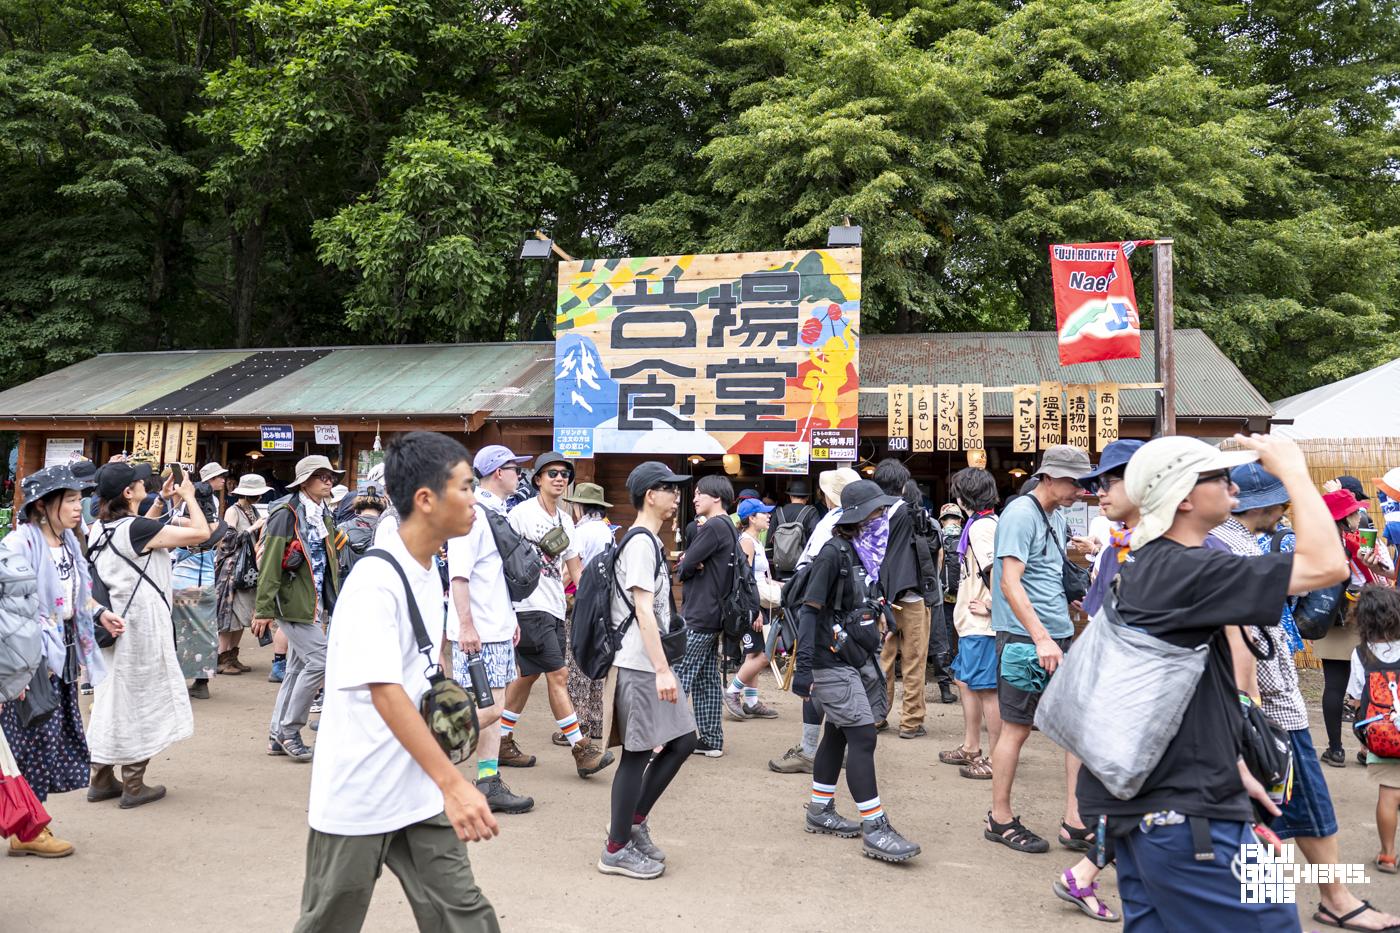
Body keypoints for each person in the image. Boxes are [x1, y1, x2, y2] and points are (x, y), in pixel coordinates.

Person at [1075, 433, 1346, 931]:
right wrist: (1294, 472)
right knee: (1273, 923)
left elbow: (1175, 694)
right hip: (1187, 818)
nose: (1235, 488)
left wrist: (1230, 763)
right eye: (1219, 478)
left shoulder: (1148, 563)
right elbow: (1328, 565)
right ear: (1182, 496)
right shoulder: (1192, 569)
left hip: (1149, 811)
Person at [293, 431, 500, 933]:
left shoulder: (428, 568)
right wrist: (456, 785)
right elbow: (385, 693)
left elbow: (417, 674)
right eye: (467, 487)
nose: (477, 499)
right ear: (426, 500)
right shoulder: (375, 581)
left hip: (417, 785)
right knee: (330, 920)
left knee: (466, 915)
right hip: (362, 788)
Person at [1212, 465, 1400, 933]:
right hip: (1266, 702)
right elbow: (1330, 567)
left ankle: (1316, 900)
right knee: (1291, 809)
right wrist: (1250, 697)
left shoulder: (1230, 543)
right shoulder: (1233, 547)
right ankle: (1301, 906)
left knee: (1280, 812)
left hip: (1256, 697)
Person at [792, 480, 920, 862]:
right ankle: (875, 826)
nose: (882, 517)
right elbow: (809, 610)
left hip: (852, 657)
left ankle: (820, 809)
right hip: (830, 660)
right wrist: (804, 669)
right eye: (877, 512)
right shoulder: (834, 552)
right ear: (859, 516)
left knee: (840, 732)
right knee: (864, 737)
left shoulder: (861, 552)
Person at [1, 465, 123, 857]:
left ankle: (30, 822)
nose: (78, 507)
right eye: (69, 500)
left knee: (48, 740)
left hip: (61, 653)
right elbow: (7, 607)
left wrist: (99, 612)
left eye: (79, 499)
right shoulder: (20, 544)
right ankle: (27, 830)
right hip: (30, 660)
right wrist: (19, 665)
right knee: (32, 742)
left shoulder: (69, 542)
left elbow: (75, 595)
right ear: (43, 505)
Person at [1048, 439, 1143, 923]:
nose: (1099, 496)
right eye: (1097, 485)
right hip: (1132, 701)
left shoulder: (1191, 545)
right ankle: (1085, 869)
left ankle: (1085, 871)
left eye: (1109, 482)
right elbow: (1099, 617)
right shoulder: (1118, 551)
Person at [985, 444, 1092, 854]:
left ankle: (1076, 820)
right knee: (1017, 728)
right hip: (1025, 640)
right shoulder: (1020, 514)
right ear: (1048, 477)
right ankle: (1000, 818)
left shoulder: (1055, 515)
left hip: (1056, 634)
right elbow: (1009, 582)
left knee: (1075, 729)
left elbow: (1045, 574)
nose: (1078, 491)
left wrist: (1070, 601)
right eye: (1071, 482)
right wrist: (1041, 636)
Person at [86, 459, 208, 808]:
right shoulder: (137, 529)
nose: (146, 485)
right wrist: (189, 496)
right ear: (128, 492)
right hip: (141, 629)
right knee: (143, 701)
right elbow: (200, 533)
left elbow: (140, 532)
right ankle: (134, 784)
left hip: (111, 625)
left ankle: (101, 777)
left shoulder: (99, 529)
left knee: (111, 700)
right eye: (140, 483)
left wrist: (160, 503)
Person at [598, 462, 698, 880]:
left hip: (648, 662)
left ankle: (633, 823)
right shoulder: (640, 541)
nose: (677, 495)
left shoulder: (650, 540)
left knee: (683, 740)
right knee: (636, 755)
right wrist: (661, 669)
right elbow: (643, 608)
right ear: (648, 495)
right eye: (668, 488)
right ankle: (616, 848)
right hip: (638, 665)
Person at [498, 450, 612, 777]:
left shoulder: (565, 520)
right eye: (552, 473)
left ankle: (502, 739)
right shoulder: (520, 513)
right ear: (537, 479)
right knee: (558, 674)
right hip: (529, 606)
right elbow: (503, 558)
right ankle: (581, 749)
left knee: (526, 676)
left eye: (564, 474)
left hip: (555, 607)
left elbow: (575, 567)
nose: (560, 478)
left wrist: (593, 605)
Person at [445, 445, 533, 814]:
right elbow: (459, 575)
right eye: (515, 468)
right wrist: (466, 626)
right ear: (498, 472)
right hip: (477, 631)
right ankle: (417, 763)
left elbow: (493, 577)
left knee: (492, 708)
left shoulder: (493, 512)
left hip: (494, 626)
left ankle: (488, 780)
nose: (519, 475)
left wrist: (510, 618)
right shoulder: (473, 515)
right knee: (492, 709)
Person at [252, 455, 345, 764]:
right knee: (321, 661)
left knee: (295, 669)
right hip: (292, 602)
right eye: (321, 476)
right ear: (305, 481)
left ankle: (277, 735)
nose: (328, 481)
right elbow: (269, 562)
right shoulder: (286, 513)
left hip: (313, 602)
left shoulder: (323, 513)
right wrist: (263, 608)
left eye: (330, 476)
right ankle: (290, 731)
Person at [769, 467, 860, 774]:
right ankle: (832, 747)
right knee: (839, 676)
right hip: (846, 612)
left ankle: (812, 750)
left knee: (819, 679)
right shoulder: (860, 523)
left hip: (820, 608)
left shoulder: (832, 522)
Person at [1313, 487, 1395, 768]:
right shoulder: (1361, 541)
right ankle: (1366, 747)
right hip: (1364, 614)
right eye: (1353, 512)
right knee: (1367, 684)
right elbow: (1385, 574)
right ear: (1345, 517)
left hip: (1328, 614)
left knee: (1334, 685)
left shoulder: (1316, 543)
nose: (1358, 516)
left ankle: (1335, 750)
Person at [939, 468, 1002, 783]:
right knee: (965, 682)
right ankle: (971, 746)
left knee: (987, 690)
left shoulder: (981, 529)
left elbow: (997, 571)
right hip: (970, 622)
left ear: (965, 496)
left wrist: (993, 606)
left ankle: (996, 757)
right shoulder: (981, 524)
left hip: (982, 624)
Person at [867, 459, 937, 740]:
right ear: (903, 484)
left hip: (881, 600)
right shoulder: (913, 513)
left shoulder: (871, 514)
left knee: (882, 660)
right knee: (913, 661)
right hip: (911, 596)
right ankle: (910, 722)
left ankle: (876, 715)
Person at [676, 473, 739, 757]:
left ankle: (664, 739)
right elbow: (692, 561)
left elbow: (686, 564)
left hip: (700, 612)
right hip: (716, 612)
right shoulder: (728, 525)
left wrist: (688, 562)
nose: (695, 498)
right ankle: (711, 739)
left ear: (716, 496)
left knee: (680, 675)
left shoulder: (713, 526)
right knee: (707, 678)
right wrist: (692, 561)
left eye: (700, 493)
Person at [1348, 586, 1400, 877]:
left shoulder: (1361, 654)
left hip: (1384, 736)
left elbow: (1357, 696)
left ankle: (1388, 855)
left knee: (1389, 796)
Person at [559, 482, 615, 744]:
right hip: (603, 600)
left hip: (579, 599)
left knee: (576, 658)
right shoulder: (607, 531)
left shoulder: (579, 532)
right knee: (596, 659)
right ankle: (596, 720)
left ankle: (577, 722)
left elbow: (572, 567)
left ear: (579, 506)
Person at [723, 497, 779, 721]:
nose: (768, 516)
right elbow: (743, 578)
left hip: (756, 603)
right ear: (751, 518)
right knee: (763, 656)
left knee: (754, 654)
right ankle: (732, 692)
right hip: (751, 605)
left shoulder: (753, 541)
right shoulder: (747, 541)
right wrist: (753, 610)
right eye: (763, 513)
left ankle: (752, 701)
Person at [215, 473, 269, 676]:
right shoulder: (233, 511)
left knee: (243, 615)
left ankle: (232, 656)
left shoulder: (253, 510)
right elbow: (226, 540)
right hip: (232, 569)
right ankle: (221, 657)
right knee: (230, 616)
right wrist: (253, 528)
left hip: (249, 569)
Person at [931, 502, 965, 705]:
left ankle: (945, 687)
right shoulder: (968, 535)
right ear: (960, 519)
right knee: (964, 637)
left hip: (942, 596)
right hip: (965, 596)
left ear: (942, 520)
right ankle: (964, 678)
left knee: (941, 639)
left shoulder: (938, 536)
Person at [767, 478, 820, 580]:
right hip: (802, 567)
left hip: (780, 569)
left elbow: (769, 542)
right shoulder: (811, 512)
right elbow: (817, 539)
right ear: (807, 497)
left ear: (790, 496)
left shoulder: (778, 512)